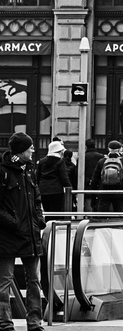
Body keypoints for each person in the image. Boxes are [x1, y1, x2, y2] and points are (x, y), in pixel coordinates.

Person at [0, 133, 45, 331]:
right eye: (30, 148)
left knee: (34, 281)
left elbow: (36, 199)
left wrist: (39, 220)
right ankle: (5, 324)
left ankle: (34, 324)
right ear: (21, 151)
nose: (33, 150)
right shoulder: (3, 172)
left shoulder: (29, 171)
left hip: (30, 234)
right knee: (4, 282)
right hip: (8, 235)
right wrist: (14, 224)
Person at [34, 140, 69, 217]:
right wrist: (69, 187)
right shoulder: (60, 162)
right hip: (56, 190)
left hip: (43, 190)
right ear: (59, 151)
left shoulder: (41, 162)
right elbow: (64, 177)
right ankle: (54, 228)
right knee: (56, 213)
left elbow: (37, 177)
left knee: (47, 212)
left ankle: (48, 227)